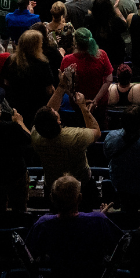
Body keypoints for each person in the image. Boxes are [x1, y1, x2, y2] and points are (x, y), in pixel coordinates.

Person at [26, 174, 122, 278]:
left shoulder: (42, 224)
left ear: (51, 198)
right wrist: (99, 217)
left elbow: (30, 253)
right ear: (80, 198)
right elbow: (119, 245)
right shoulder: (98, 220)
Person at [30, 71, 102, 204]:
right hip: (81, 186)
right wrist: (82, 106)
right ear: (58, 122)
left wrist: (61, 87)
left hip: (53, 187)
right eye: (55, 113)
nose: (54, 109)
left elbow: (47, 112)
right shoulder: (75, 137)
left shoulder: (36, 135)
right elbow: (96, 132)